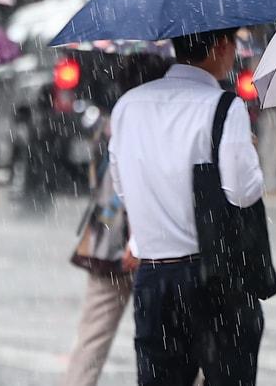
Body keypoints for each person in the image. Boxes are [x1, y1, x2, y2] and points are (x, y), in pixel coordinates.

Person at [110, 28, 265, 386]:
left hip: (153, 277)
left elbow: (123, 188)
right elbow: (243, 193)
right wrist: (250, 156)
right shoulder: (225, 107)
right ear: (221, 46)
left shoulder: (127, 106)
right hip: (216, 277)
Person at [62, 54, 172, 386]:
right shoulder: (159, 127)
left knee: (91, 340)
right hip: (149, 246)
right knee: (172, 341)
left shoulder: (107, 125)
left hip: (103, 238)